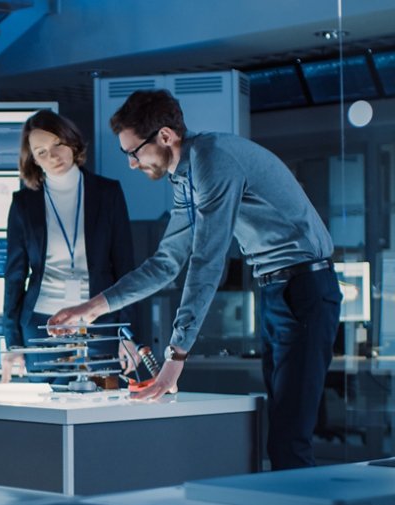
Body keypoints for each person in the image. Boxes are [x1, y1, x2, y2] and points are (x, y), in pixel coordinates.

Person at [50, 89, 341, 470]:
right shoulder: (185, 179)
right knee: (283, 434)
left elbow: (207, 261)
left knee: (290, 436)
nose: (132, 165)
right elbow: (167, 262)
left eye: (133, 152)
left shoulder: (212, 160)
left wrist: (176, 356)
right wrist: (92, 308)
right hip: (275, 289)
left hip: (304, 288)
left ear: (166, 137)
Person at [1, 110, 135, 383]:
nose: (52, 156)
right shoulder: (24, 204)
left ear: (72, 142)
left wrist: (129, 335)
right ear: (33, 161)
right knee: (46, 412)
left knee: (99, 408)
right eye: (41, 152)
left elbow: (126, 269)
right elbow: (14, 276)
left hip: (99, 322)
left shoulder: (108, 193)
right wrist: (13, 343)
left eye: (57, 144)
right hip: (41, 324)